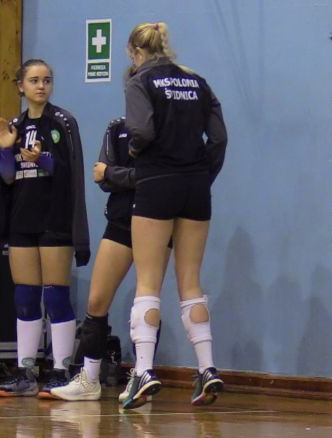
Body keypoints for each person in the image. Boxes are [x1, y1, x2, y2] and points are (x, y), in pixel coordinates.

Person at [118, 22, 228, 410]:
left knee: (148, 282)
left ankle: (144, 371)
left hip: (157, 182)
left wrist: (136, 152)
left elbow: (142, 131)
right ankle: (207, 368)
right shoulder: (197, 81)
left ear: (135, 52)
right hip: (196, 186)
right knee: (191, 282)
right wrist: (202, 176)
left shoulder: (139, 81)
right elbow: (219, 138)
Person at [45, 116, 171, 401]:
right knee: (97, 300)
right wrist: (120, 176)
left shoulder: (166, 127)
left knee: (146, 297)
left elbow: (155, 176)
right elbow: (100, 176)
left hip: (157, 218)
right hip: (120, 220)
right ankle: (89, 378)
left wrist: (115, 174)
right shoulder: (116, 127)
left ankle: (141, 374)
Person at [0, 58, 90, 398]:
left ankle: (61, 369)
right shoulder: (14, 125)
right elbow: (7, 177)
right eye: (34, 80)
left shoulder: (62, 121)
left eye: (47, 80)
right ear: (21, 86)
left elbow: (69, 171)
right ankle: (25, 371)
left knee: (55, 294)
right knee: (25, 295)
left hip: (54, 219)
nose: (41, 86)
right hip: (22, 219)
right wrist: (6, 151)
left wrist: (42, 159)